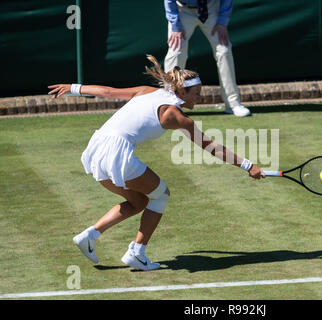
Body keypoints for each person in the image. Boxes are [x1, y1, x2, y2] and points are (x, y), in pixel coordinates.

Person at [47, 54, 264, 271]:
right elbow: (211, 147)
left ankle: (89, 236)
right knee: (161, 195)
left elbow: (108, 92)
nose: (199, 98)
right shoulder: (176, 116)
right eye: (196, 93)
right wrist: (248, 165)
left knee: (138, 203)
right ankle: (137, 252)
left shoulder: (147, 91)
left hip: (96, 147)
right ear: (181, 91)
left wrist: (73, 87)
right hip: (117, 153)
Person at [164, 0, 251, 117]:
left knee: (224, 51)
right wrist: (175, 25)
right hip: (182, 11)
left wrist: (222, 22)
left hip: (211, 8)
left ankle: (233, 104)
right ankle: (169, 104)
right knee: (176, 53)